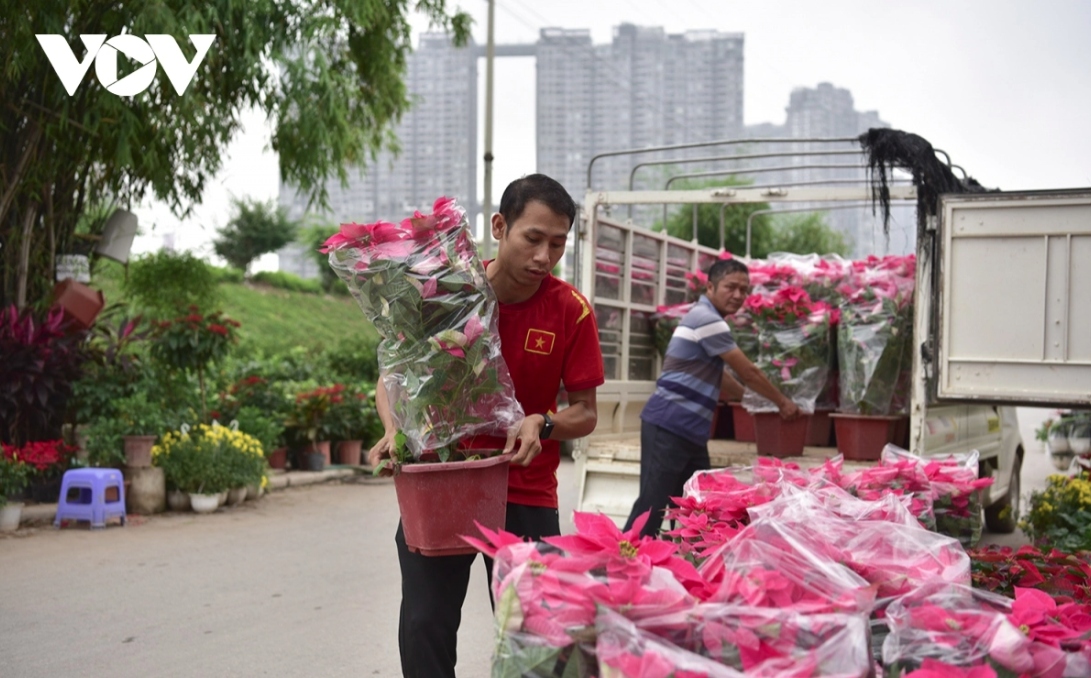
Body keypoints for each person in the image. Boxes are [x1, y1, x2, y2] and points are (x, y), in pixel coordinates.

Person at [368, 173, 605, 678]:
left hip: (525, 489)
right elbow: (391, 381)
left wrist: (542, 423)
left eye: (558, 243)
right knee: (424, 624)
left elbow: (585, 412)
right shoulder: (443, 296)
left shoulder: (571, 310)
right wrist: (394, 430)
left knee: (535, 635)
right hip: (440, 485)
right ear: (500, 226)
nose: (544, 256)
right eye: (533, 238)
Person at [624, 258, 801, 537]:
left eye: (744, 290)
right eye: (731, 287)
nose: (738, 295)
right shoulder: (707, 319)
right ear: (709, 287)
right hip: (669, 425)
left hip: (690, 432)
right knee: (652, 505)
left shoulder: (706, 318)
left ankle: (683, 567)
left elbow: (719, 376)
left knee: (697, 507)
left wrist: (747, 399)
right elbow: (748, 371)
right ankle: (621, 566)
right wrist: (783, 403)